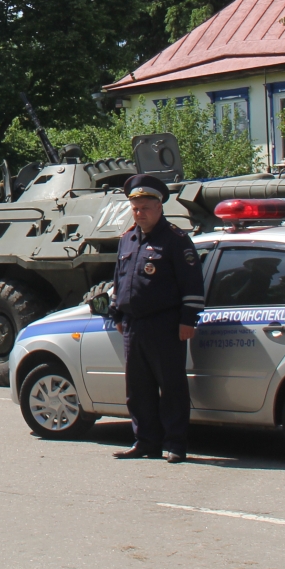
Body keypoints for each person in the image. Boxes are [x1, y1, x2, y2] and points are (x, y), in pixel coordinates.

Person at [110, 174, 204, 463]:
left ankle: (175, 444)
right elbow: (119, 280)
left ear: (159, 207)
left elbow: (192, 283)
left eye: (145, 208)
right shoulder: (128, 239)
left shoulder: (175, 240)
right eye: (135, 208)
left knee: (171, 387)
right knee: (138, 390)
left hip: (166, 325)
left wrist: (188, 319)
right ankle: (145, 442)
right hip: (134, 325)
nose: (139, 214)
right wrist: (117, 313)